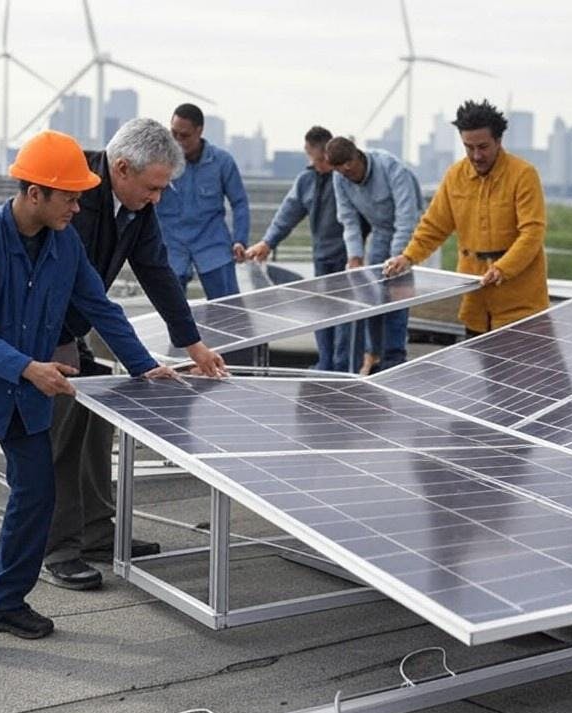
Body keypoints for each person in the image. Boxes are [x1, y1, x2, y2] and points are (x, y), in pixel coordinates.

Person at [0, 130, 179, 638]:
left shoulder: (64, 246)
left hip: (27, 395)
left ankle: (6, 603)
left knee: (36, 498)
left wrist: (144, 364)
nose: (79, 207)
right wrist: (27, 367)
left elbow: (101, 306)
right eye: (70, 197)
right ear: (35, 193)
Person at [42, 118, 228, 592]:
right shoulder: (75, 200)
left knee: (97, 421)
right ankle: (59, 550)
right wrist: (144, 364)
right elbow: (91, 298)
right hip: (36, 332)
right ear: (120, 168)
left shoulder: (136, 205)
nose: (158, 198)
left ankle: (98, 534)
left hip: (70, 328)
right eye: (153, 187)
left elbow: (156, 271)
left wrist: (195, 344)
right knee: (61, 433)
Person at [382, 99, 548, 335]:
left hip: (521, 305)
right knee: (477, 369)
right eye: (469, 147)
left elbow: (532, 233)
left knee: (520, 370)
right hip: (475, 301)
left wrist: (502, 269)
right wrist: (408, 257)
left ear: (498, 141)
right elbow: (434, 226)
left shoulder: (523, 175)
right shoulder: (455, 176)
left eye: (483, 147)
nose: (476, 155)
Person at [245, 126, 359, 371]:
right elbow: (288, 212)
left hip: (348, 257)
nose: (315, 163)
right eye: (310, 157)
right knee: (323, 313)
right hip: (322, 256)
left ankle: (342, 367)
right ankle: (327, 364)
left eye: (318, 159)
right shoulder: (307, 180)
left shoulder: (347, 179)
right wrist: (268, 242)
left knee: (346, 315)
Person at [325, 136, 423, 373]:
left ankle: (394, 359)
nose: (345, 176)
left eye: (346, 171)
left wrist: (399, 257)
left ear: (353, 160)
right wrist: (355, 256)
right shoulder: (340, 178)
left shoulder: (390, 167)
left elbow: (406, 217)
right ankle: (374, 355)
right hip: (379, 231)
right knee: (371, 295)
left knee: (397, 294)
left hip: (406, 232)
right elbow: (348, 219)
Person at [155, 103, 250, 299]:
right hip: (171, 246)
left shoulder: (222, 162)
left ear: (199, 131)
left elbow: (239, 203)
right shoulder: (158, 161)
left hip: (212, 244)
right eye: (174, 133)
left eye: (185, 135)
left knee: (229, 311)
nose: (178, 141)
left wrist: (240, 239)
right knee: (171, 311)